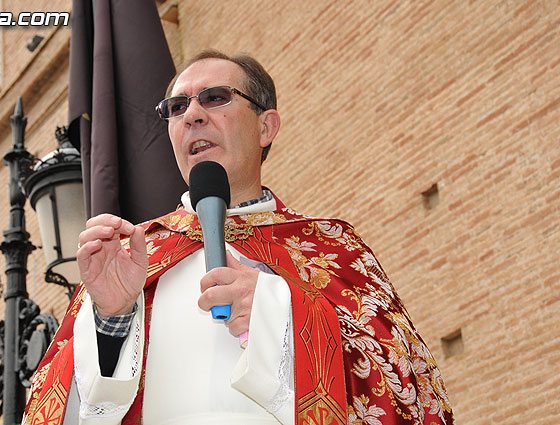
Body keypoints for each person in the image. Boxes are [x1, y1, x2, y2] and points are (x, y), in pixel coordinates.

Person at [23, 50, 455, 425]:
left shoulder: (331, 247)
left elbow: (406, 386)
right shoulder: (133, 253)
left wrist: (277, 316)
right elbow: (52, 404)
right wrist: (111, 321)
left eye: (215, 98)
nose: (192, 115)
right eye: (176, 107)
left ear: (266, 127)